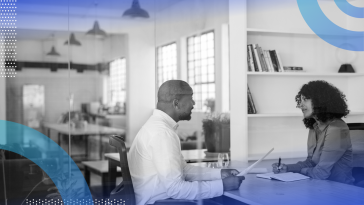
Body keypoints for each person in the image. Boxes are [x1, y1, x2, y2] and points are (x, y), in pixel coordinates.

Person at [128, 80, 244, 205]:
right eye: (191, 98)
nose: (193, 103)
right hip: (161, 202)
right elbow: (175, 189)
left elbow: (183, 169)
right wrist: (222, 186)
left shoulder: (158, 127)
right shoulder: (162, 133)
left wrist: (219, 174)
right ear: (176, 103)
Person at [272, 80, 354, 184]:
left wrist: (299, 171)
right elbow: (311, 162)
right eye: (300, 101)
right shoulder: (314, 126)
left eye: (305, 100)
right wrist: (287, 168)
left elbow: (320, 173)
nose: (300, 105)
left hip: (340, 190)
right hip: (319, 186)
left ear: (320, 101)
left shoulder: (337, 129)